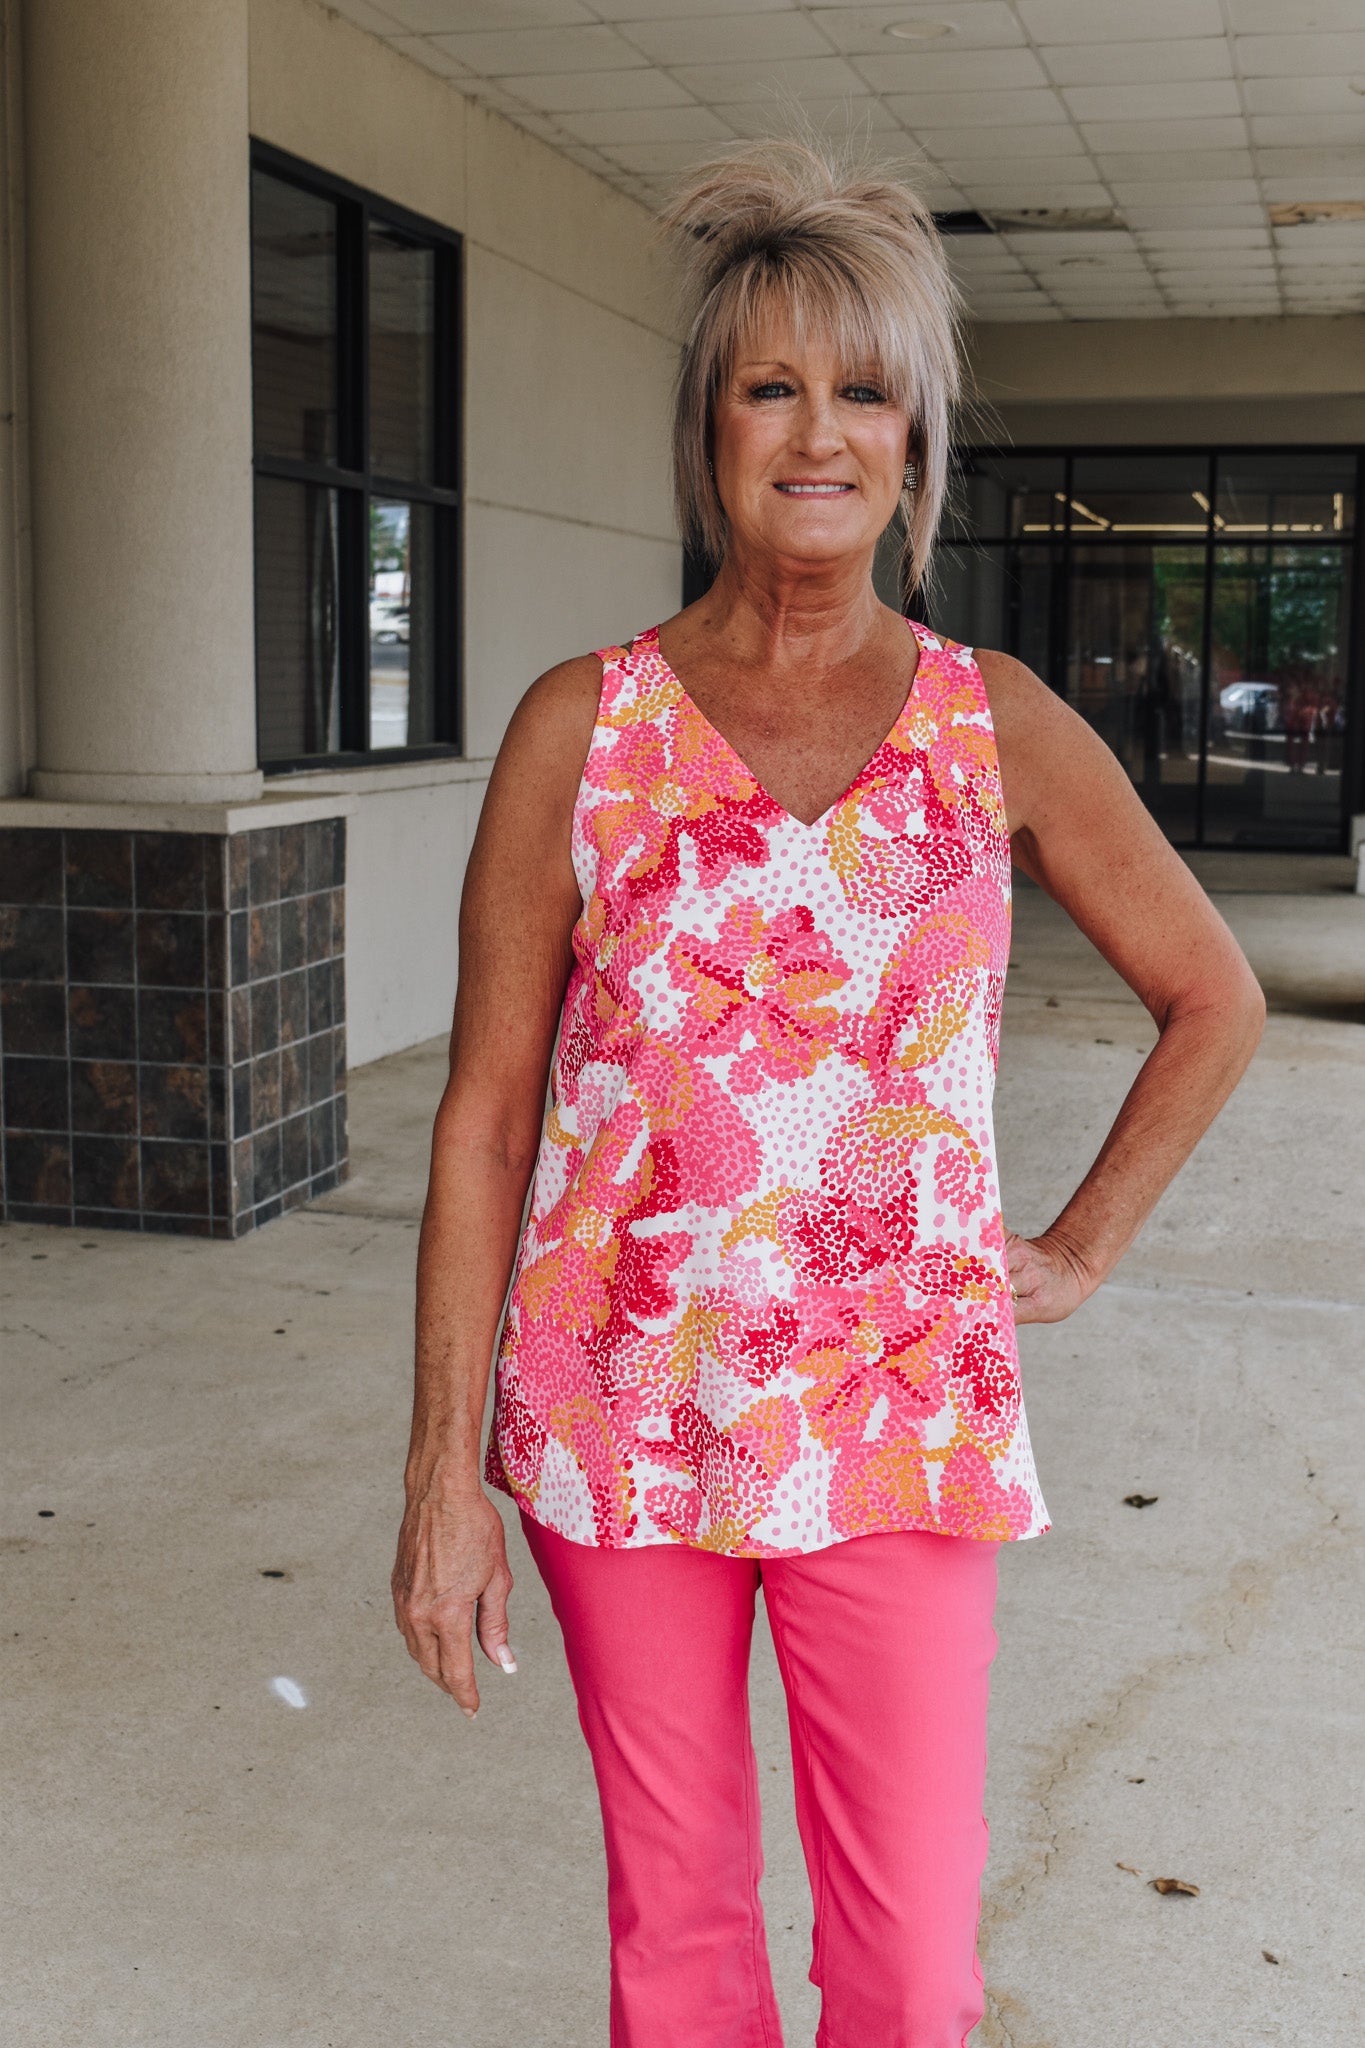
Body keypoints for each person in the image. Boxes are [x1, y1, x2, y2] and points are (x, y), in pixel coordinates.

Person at [391, 143, 1265, 2048]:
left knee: (904, 1969)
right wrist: (437, 1483)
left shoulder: (994, 723)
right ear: (707, 427)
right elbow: (480, 1116)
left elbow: (1211, 995)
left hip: (897, 1426)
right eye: (768, 385)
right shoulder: (580, 726)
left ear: (914, 436)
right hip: (619, 1418)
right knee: (677, 1942)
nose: (815, 434)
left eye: (860, 389)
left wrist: (1077, 1247)